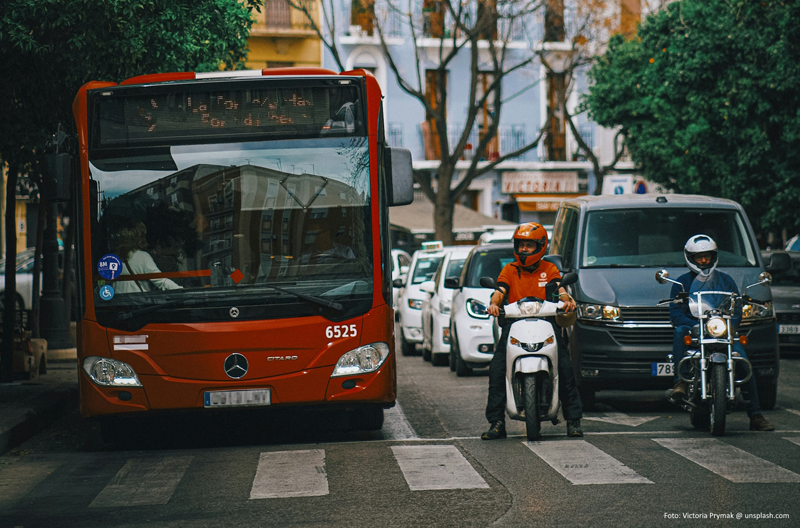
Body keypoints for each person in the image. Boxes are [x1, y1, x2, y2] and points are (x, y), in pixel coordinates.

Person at [482, 222, 583, 440]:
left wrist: (567, 301)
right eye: (521, 245)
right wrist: (494, 304)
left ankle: (573, 420)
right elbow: (499, 291)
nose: (524, 250)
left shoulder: (549, 269)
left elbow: (560, 289)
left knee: (565, 368)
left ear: (541, 246)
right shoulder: (509, 270)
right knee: (497, 370)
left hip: (547, 323)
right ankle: (496, 423)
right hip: (513, 324)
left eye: (529, 245)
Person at [669, 235, 774, 431]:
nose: (703, 261)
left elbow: (736, 307)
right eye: (699, 257)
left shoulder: (726, 280)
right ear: (690, 258)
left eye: (707, 256)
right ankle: (680, 383)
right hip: (696, 330)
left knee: (743, 361)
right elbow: (675, 312)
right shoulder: (681, 283)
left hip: (721, 331)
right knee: (679, 331)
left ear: (713, 256)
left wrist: (732, 324)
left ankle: (756, 415)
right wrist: (692, 324)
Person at [113, 221, 182, 294]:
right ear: (139, 238)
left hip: (118, 302)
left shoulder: (113, 257)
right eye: (143, 235)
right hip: (136, 302)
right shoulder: (142, 257)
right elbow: (160, 281)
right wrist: (181, 290)